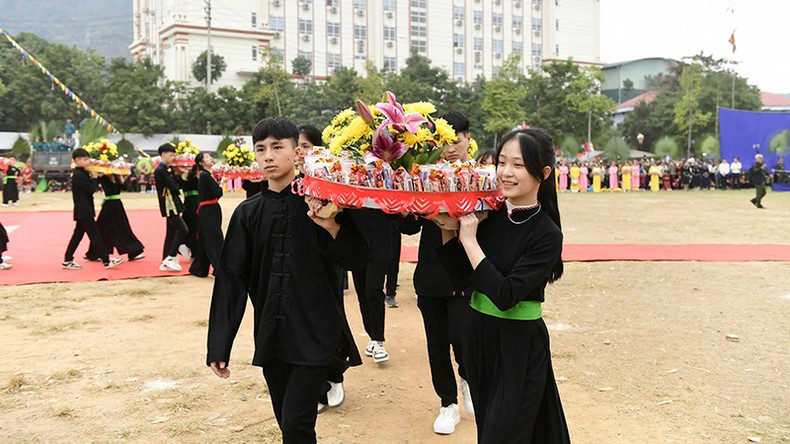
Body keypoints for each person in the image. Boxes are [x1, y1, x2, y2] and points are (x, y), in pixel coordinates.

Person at [206, 116, 367, 444]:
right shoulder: (247, 213)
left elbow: (357, 259)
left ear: (297, 154)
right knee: (287, 423)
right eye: (261, 148)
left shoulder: (322, 204)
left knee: (296, 424)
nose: (268, 156)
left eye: (277, 147)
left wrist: (333, 226)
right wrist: (219, 343)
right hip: (272, 335)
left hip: (315, 332)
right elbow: (231, 280)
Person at [437, 128, 570, 443]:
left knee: (502, 435)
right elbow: (461, 279)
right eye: (502, 162)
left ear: (544, 173)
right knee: (490, 427)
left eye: (518, 165)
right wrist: (447, 228)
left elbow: (506, 295)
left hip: (519, 345)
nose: (506, 173)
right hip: (479, 334)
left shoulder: (546, 233)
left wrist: (468, 240)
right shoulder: (490, 215)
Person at [398, 110, 476, 435]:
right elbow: (407, 227)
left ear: (468, 139)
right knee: (436, 343)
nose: (451, 149)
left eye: (456, 141)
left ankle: (468, 378)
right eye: (444, 143)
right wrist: (406, 198)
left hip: (469, 274)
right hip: (431, 273)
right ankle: (448, 404)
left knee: (463, 337)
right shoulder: (426, 176)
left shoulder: (481, 178)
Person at [62, 148, 124, 270]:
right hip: (84, 210)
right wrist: (95, 178)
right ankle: (106, 260)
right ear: (77, 160)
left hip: (84, 209)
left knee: (78, 235)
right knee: (95, 235)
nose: (88, 161)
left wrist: (96, 176)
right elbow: (91, 189)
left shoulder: (82, 172)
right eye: (85, 159)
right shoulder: (79, 174)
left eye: (88, 159)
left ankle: (68, 259)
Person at [85, 174, 145, 262]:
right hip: (109, 205)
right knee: (102, 228)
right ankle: (94, 253)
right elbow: (93, 188)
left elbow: (125, 188)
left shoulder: (117, 176)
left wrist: (121, 178)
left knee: (122, 228)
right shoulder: (103, 177)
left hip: (117, 205)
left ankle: (133, 252)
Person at [188, 153, 224, 277]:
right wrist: (222, 182)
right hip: (209, 210)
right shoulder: (204, 175)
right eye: (207, 157)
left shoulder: (206, 175)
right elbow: (217, 192)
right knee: (214, 239)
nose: (210, 158)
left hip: (210, 209)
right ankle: (220, 268)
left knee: (205, 240)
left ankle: (200, 268)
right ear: (201, 163)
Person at [154, 143, 188, 272]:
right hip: (169, 204)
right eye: (171, 154)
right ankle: (171, 256)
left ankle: (165, 260)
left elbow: (177, 183)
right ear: (163, 155)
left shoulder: (168, 169)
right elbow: (174, 186)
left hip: (173, 203)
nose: (173, 157)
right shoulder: (160, 170)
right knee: (183, 230)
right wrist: (177, 178)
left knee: (171, 233)